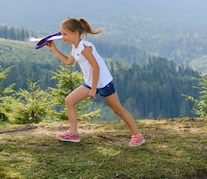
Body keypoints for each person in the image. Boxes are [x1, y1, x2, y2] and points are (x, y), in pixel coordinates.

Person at [46, 17, 145, 147]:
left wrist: (93, 89)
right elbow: (68, 62)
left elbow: (96, 67)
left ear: (75, 33)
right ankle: (74, 133)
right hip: (91, 82)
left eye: (65, 34)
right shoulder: (76, 48)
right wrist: (53, 48)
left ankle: (137, 136)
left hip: (103, 83)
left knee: (118, 109)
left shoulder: (85, 47)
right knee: (69, 101)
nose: (62, 37)